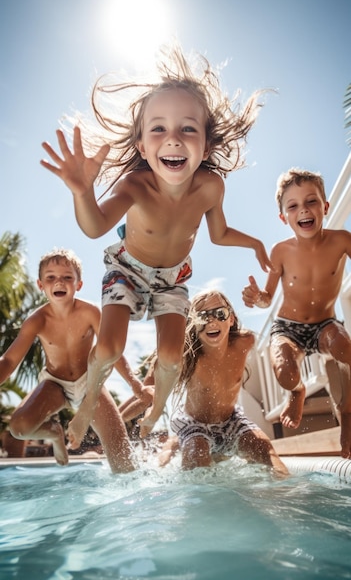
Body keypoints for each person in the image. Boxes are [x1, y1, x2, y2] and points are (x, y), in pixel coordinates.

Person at [40, 43, 272, 450]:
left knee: (170, 356)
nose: (174, 139)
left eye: (188, 128)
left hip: (172, 278)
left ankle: (156, 409)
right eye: (159, 129)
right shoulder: (135, 185)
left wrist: (254, 244)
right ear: (144, 147)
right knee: (110, 345)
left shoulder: (210, 186)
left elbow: (218, 233)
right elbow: (95, 226)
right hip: (127, 269)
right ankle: (89, 400)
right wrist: (83, 192)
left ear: (206, 143)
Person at [0, 248, 152, 472]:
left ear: (78, 284)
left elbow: (112, 352)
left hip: (91, 383)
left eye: (67, 277)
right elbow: (10, 360)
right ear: (40, 285)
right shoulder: (36, 321)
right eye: (50, 277)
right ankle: (54, 433)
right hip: (55, 384)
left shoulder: (90, 312)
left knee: (123, 459)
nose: (58, 282)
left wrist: (134, 383)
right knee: (19, 428)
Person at [242, 167, 351, 459]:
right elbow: (268, 298)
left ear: (325, 206)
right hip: (288, 327)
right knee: (285, 371)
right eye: (293, 206)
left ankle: (347, 416)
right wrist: (257, 298)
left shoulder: (342, 240)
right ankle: (297, 391)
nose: (304, 210)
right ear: (284, 217)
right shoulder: (280, 251)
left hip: (326, 323)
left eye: (311, 201)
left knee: (345, 349)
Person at [163, 290, 288, 475]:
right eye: (203, 316)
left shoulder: (244, 343)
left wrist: (294, 391)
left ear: (231, 319)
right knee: (196, 453)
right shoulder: (186, 355)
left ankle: (285, 496)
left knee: (264, 449)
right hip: (193, 422)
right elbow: (156, 371)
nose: (212, 321)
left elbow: (277, 348)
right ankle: (175, 442)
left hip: (231, 421)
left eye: (220, 314)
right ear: (193, 324)